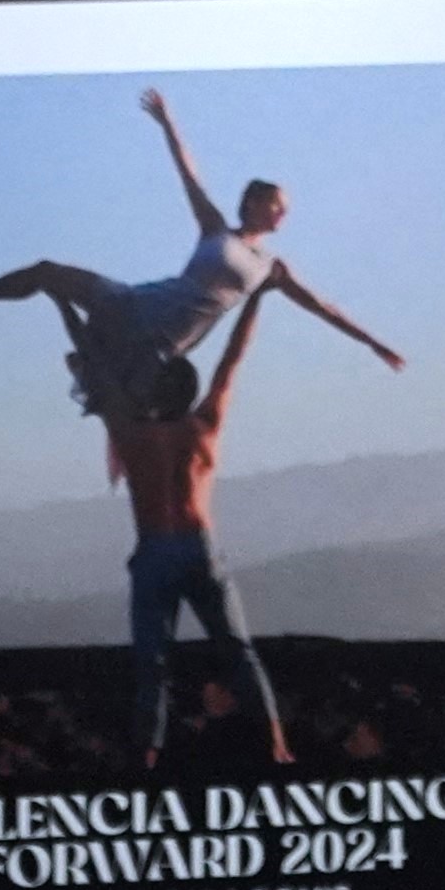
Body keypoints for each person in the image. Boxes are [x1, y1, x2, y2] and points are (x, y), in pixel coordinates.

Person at [0, 83, 408, 418]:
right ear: (257, 204)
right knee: (48, 271)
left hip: (160, 344)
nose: (284, 215)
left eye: (285, 209)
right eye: (279, 206)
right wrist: (167, 122)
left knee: (128, 407)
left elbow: (321, 307)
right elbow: (189, 174)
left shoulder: (271, 268)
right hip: (134, 302)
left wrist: (372, 341)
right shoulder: (215, 229)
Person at [106, 314, 287, 771]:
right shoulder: (204, 426)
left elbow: (99, 372)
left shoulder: (130, 433)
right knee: (237, 650)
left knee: (153, 662)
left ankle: (148, 751)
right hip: (197, 546)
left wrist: (64, 308)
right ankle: (276, 744)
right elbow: (232, 359)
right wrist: (257, 301)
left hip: (154, 551)